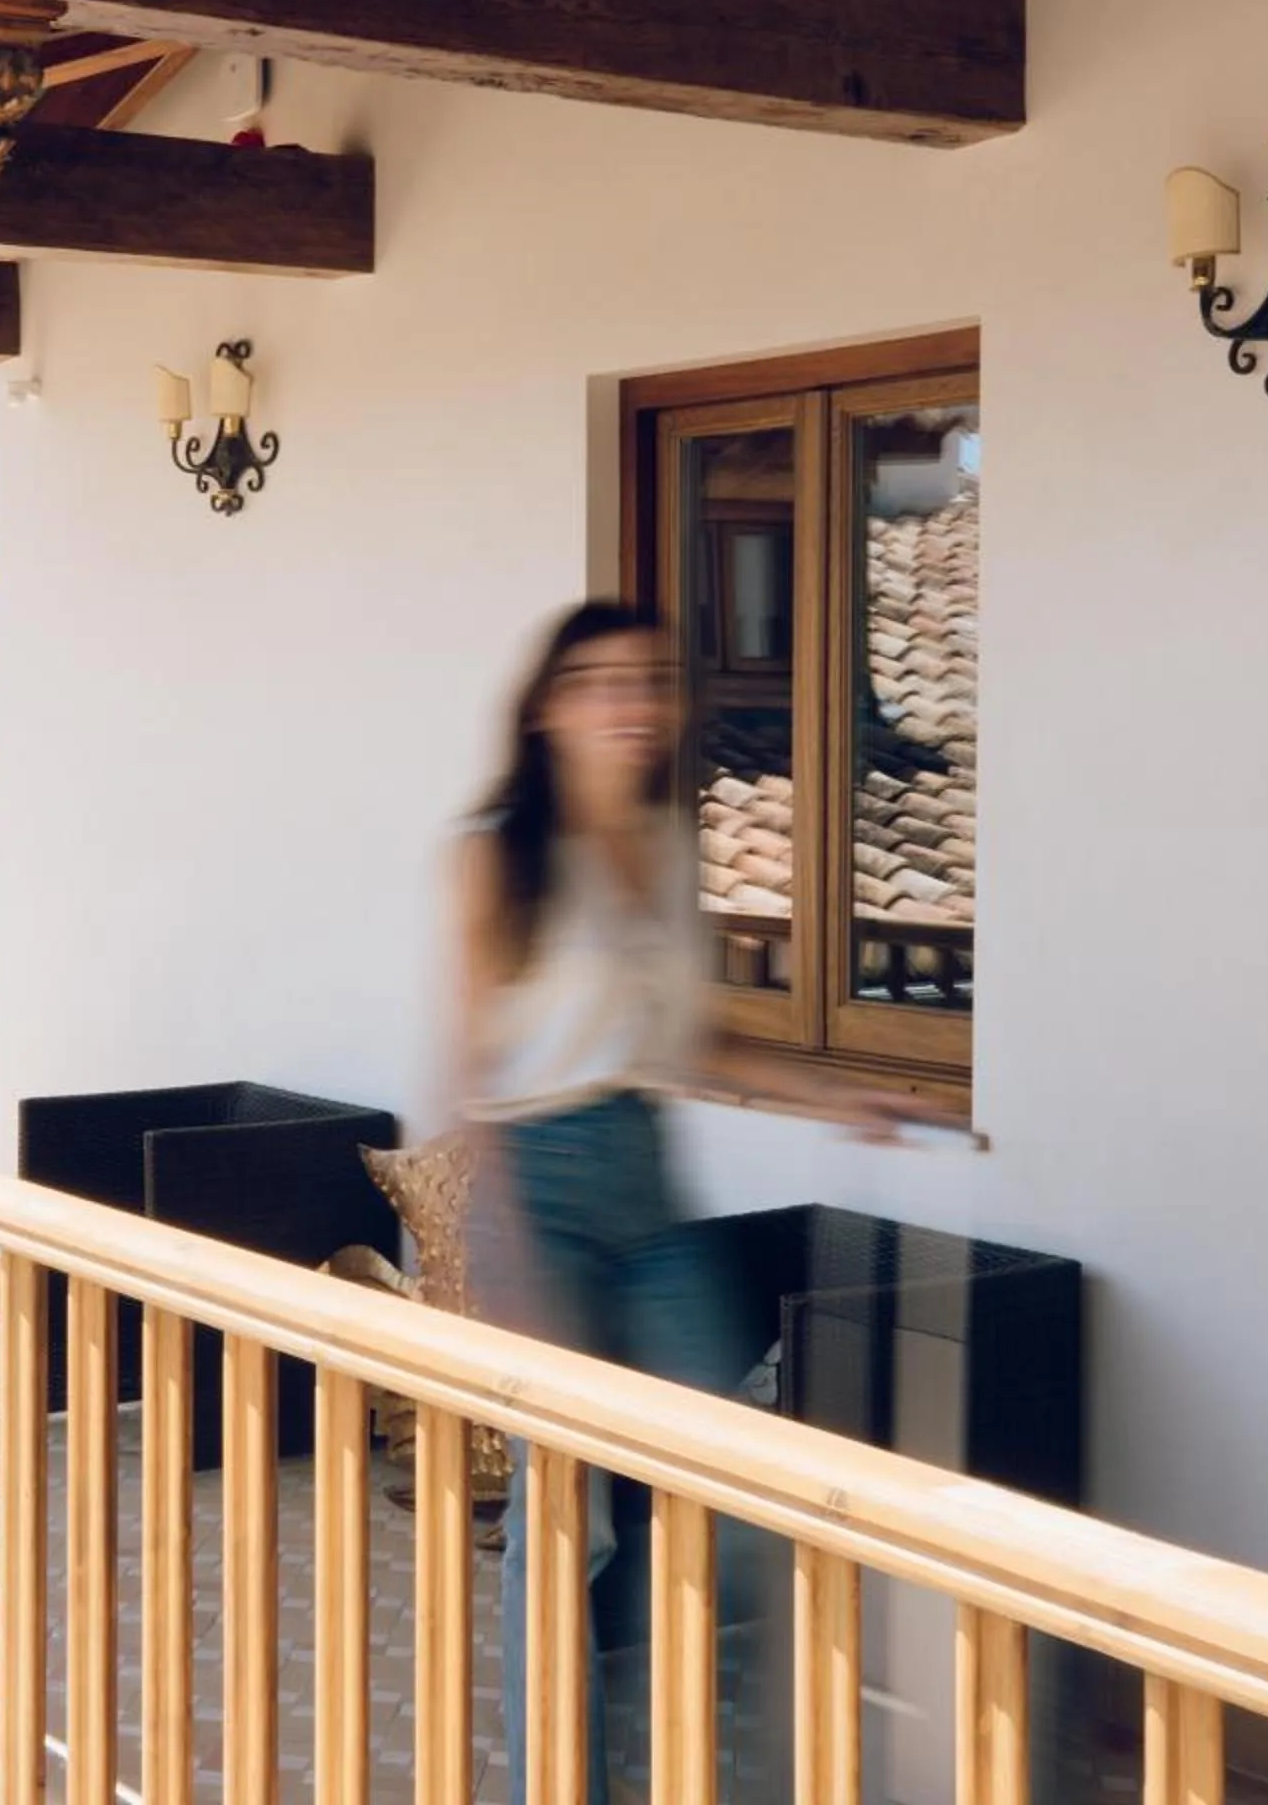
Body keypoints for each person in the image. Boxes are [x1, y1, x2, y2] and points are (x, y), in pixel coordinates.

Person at [445, 600, 916, 1803]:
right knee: (571, 1516)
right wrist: (498, 1271)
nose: (630, 703)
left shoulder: (659, 845)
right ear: (549, 705)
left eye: (648, 680)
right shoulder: (498, 852)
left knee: (723, 1468)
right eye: (599, 681)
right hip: (533, 1181)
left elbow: (688, 1038)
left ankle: (685, 1747)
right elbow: (463, 1078)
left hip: (640, 1174)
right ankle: (559, 1781)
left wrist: (832, 1093)